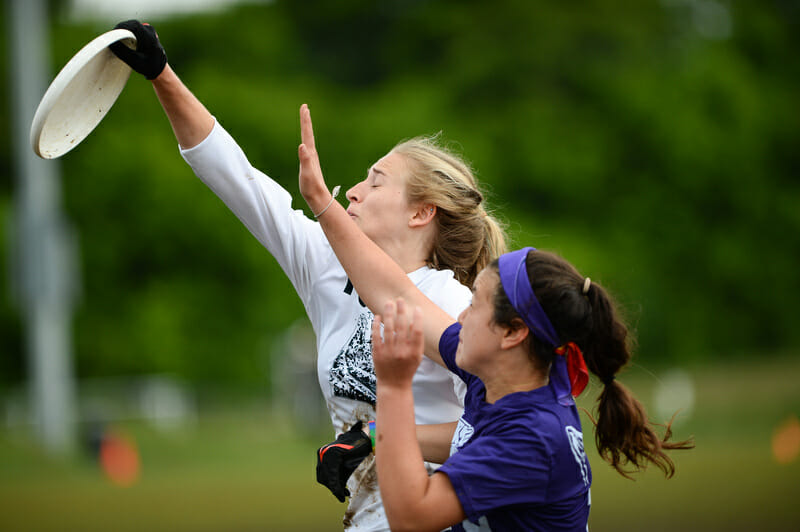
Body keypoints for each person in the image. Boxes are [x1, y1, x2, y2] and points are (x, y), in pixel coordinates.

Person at [108, 20, 507, 531]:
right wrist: (162, 75)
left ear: (421, 213)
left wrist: (381, 435)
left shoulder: (451, 304)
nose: (355, 191)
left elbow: (496, 431)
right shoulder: (326, 263)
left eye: (375, 181)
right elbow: (235, 177)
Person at [299, 106, 695, 531]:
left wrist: (394, 386)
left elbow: (413, 515)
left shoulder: (531, 439)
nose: (460, 311)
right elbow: (396, 292)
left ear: (513, 332)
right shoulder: (496, 377)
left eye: (476, 306)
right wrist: (322, 202)